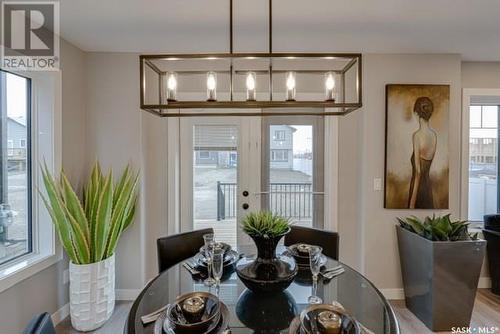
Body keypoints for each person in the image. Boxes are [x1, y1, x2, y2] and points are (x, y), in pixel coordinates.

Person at [408, 97, 437, 209]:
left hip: (417, 189)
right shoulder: (434, 135)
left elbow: (418, 172)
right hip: (427, 188)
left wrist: (412, 202)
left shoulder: (417, 136)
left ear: (416, 113)